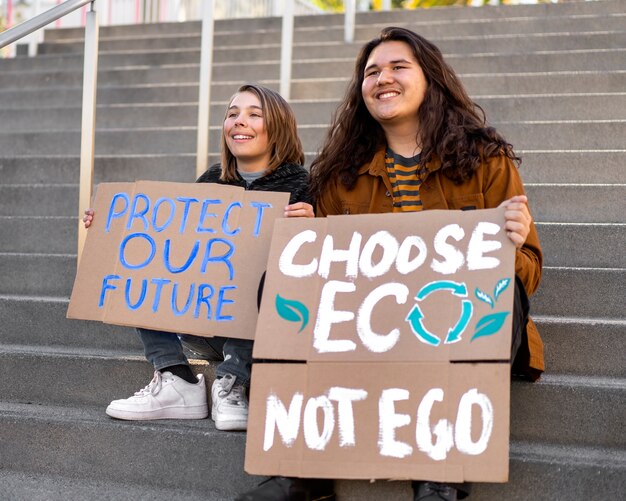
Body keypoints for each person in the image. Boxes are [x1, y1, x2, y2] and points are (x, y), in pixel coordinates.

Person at [236, 26, 543, 501]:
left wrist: (512, 244)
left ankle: (440, 469)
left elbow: (529, 271)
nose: (383, 78)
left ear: (431, 79)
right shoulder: (341, 175)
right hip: (370, 325)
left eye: (399, 66)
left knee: (505, 295)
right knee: (278, 282)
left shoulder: (486, 159)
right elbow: (320, 274)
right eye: (372, 71)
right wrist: (302, 240)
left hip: (447, 322)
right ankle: (302, 467)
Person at [84, 84, 314, 431]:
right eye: (232, 114)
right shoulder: (210, 181)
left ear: (278, 126)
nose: (239, 121)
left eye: (254, 114)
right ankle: (176, 378)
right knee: (148, 255)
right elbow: (179, 246)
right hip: (208, 322)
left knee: (272, 272)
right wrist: (114, 226)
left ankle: (232, 383)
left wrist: (315, 228)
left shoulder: (303, 185)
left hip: (267, 329)